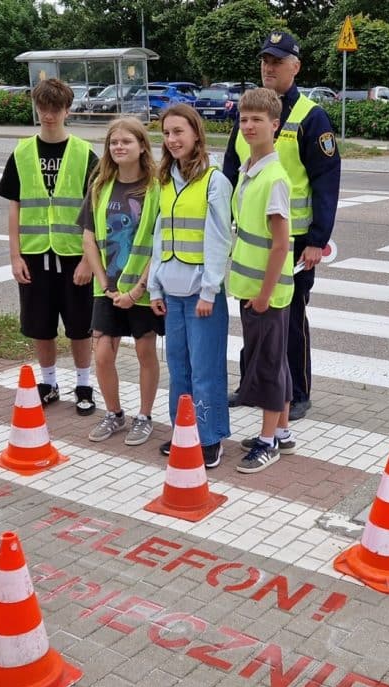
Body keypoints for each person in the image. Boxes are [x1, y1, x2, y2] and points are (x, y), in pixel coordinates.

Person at [223, 31, 341, 421]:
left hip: (295, 242)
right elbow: (227, 175)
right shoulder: (249, 114)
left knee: (289, 320)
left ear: (296, 66)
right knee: (252, 315)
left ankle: (298, 391)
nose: (268, 67)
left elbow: (326, 182)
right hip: (250, 241)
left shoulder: (310, 115)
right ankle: (251, 384)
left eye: (277, 60)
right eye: (264, 60)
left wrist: (318, 241)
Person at [0, 78, 99, 416]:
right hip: (35, 254)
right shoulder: (22, 152)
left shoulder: (85, 154)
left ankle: (84, 383)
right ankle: (49, 382)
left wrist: (89, 260)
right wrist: (15, 256)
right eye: (43, 108)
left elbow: (96, 210)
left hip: (74, 256)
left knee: (80, 325)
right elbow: (15, 206)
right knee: (40, 325)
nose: (49, 115)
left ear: (67, 110)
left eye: (55, 109)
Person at [148, 104, 232, 469]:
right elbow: (158, 236)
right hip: (172, 292)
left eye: (179, 131)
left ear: (196, 133)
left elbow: (218, 239)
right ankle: (184, 429)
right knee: (179, 367)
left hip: (201, 296)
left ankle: (210, 437)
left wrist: (210, 291)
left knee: (206, 369)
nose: (172, 139)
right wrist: (154, 287)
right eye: (166, 133)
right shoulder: (165, 180)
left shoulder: (214, 180)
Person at [79, 117, 163, 446]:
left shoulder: (155, 188)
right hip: (107, 287)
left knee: (145, 352)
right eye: (114, 142)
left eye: (126, 141)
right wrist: (104, 282)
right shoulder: (101, 185)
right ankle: (114, 414)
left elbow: (159, 243)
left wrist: (138, 288)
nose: (119, 147)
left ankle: (144, 416)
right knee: (101, 354)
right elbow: (89, 238)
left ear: (142, 146)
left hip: (142, 289)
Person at [229, 88, 297, 473]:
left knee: (268, 367)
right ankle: (282, 432)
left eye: (257, 119)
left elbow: (280, 244)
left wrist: (264, 295)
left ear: (275, 125)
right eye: (244, 119)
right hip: (254, 289)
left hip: (265, 293)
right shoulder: (249, 170)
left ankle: (268, 441)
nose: (249, 125)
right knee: (276, 362)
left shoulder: (273, 178)